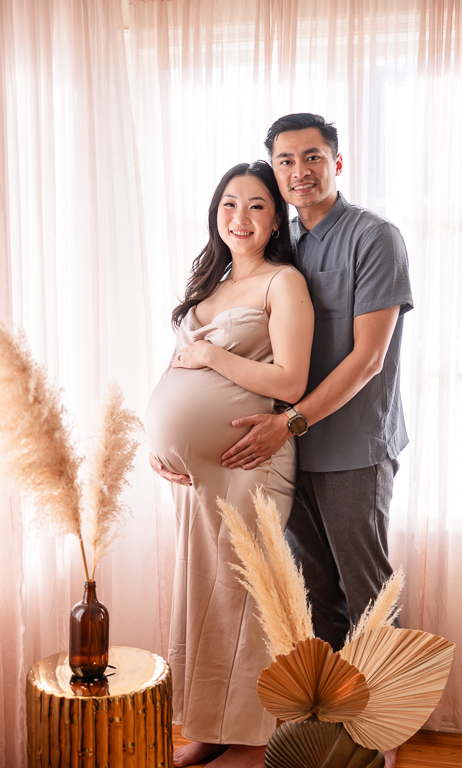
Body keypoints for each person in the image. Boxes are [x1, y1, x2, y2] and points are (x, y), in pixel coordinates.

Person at [220, 115, 413, 768]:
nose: (299, 171)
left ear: (338, 162)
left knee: (369, 595)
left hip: (353, 448)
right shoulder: (280, 245)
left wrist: (290, 422)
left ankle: (383, 739)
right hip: (288, 453)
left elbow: (367, 359)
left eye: (312, 157)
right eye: (285, 161)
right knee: (315, 596)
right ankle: (335, 731)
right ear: (272, 169)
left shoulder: (374, 238)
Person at [146, 160, 314, 768]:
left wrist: (213, 356)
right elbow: (178, 368)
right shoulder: (209, 285)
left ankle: (253, 739)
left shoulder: (282, 283)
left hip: (251, 463)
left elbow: (291, 380)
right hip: (194, 477)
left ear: (275, 222)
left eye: (256, 206)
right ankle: (212, 728)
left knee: (244, 597)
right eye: (228, 205)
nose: (239, 218)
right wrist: (156, 444)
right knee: (202, 595)